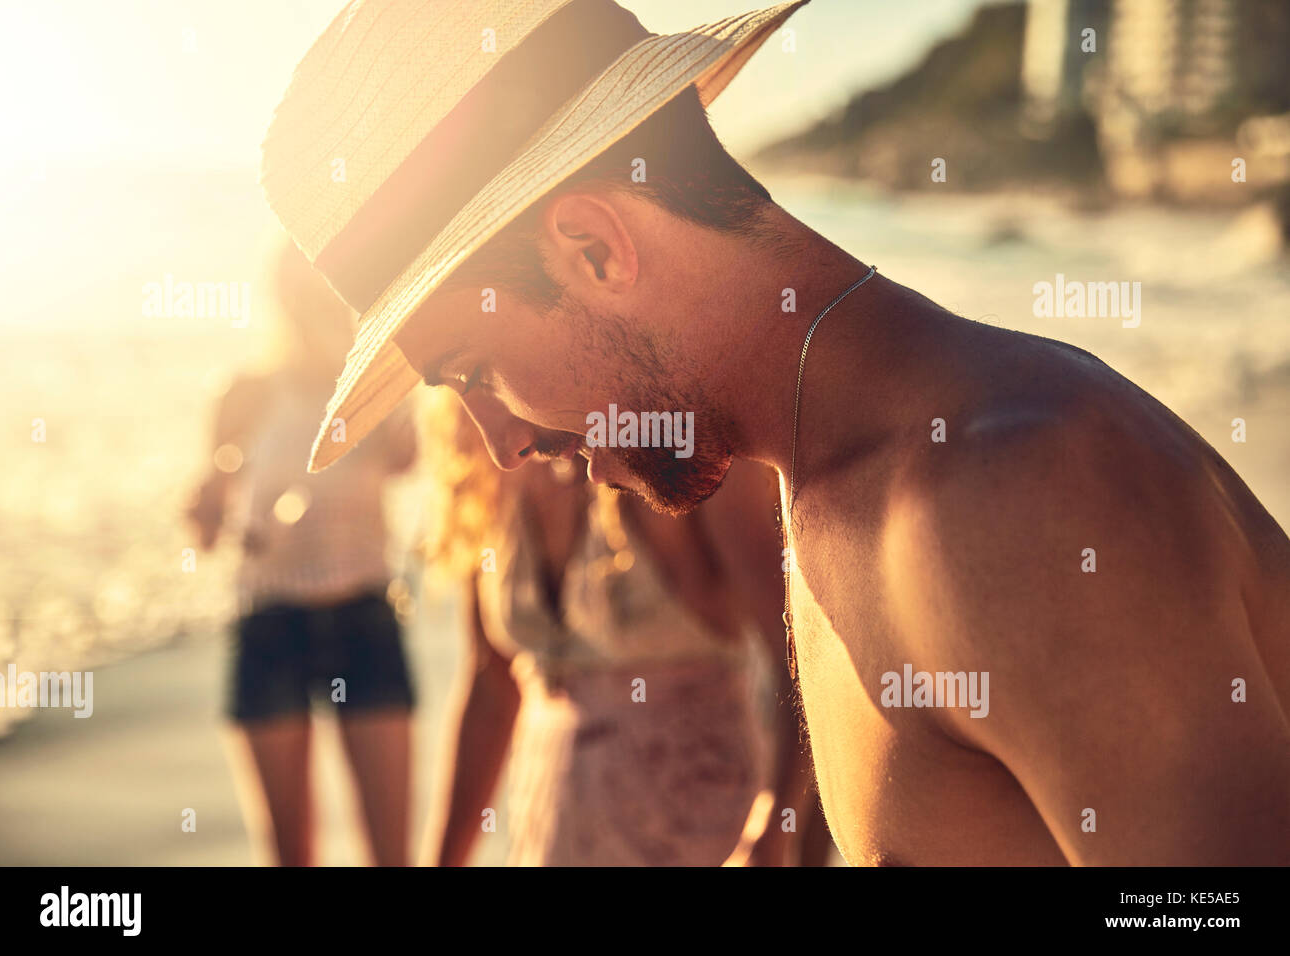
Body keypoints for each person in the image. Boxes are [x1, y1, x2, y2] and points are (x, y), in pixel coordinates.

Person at [263, 0, 1290, 864]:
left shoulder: (1011, 488)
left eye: (476, 372)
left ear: (593, 248)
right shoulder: (825, 483)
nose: (500, 443)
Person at [418, 393, 825, 866]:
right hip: (552, 827)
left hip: (701, 833)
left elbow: (805, 654)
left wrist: (774, 833)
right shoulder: (484, 458)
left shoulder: (674, 438)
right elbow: (491, 682)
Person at [185, 239, 418, 866]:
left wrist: (379, 401)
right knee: (291, 858)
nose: (307, 306)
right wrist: (207, 508)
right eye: (296, 292)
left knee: (392, 857)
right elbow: (204, 530)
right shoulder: (246, 394)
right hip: (269, 624)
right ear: (278, 299)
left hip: (364, 617)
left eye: (322, 291)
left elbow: (413, 462)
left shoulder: (375, 387)